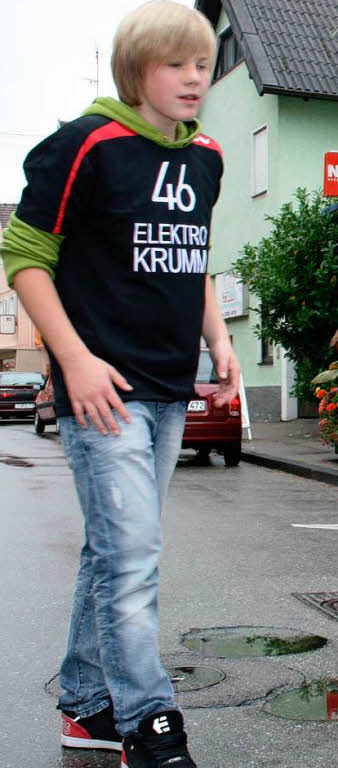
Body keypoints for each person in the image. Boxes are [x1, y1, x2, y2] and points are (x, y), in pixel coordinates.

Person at [0, 3, 236, 765]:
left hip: (170, 386)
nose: (195, 77)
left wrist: (220, 342)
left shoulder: (207, 157)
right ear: (137, 73)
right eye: (176, 65)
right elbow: (26, 255)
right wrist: (71, 359)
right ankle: (148, 722)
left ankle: (86, 703)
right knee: (134, 556)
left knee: (114, 553)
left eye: (202, 63)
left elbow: (193, 260)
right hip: (103, 389)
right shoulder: (84, 146)